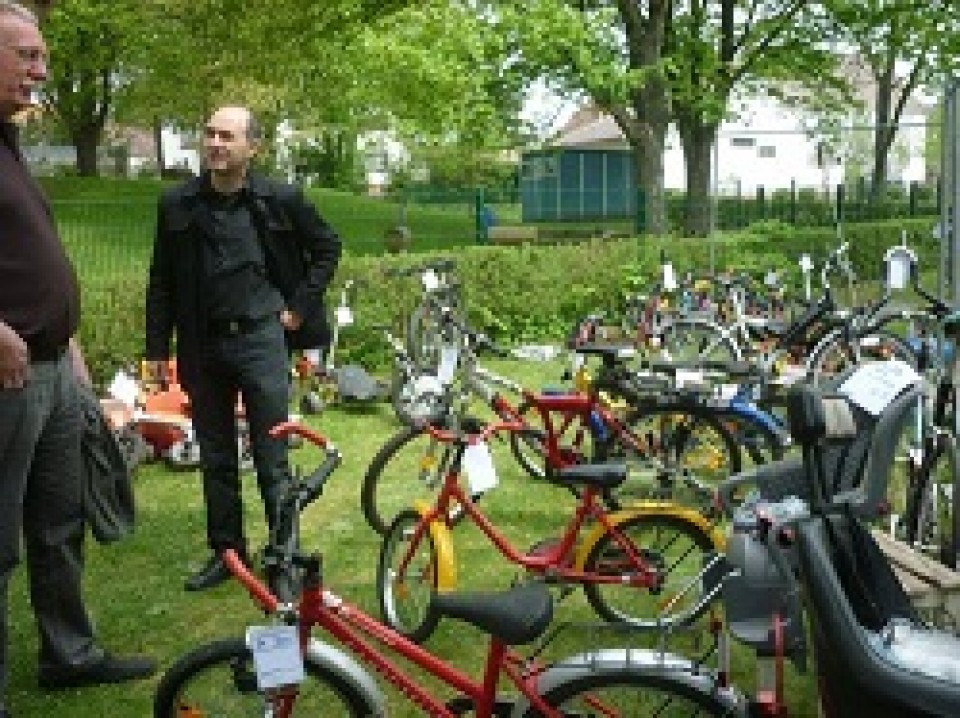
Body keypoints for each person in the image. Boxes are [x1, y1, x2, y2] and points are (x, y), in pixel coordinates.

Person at [0, 2, 155, 714]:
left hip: (55, 371)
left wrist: (75, 356)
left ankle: (70, 654)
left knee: (61, 522)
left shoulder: (9, 145)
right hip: (6, 377)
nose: (41, 71)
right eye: (27, 55)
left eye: (42, 57)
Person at [145, 105, 342, 592]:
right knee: (215, 456)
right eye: (209, 133)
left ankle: (284, 559)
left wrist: (297, 308)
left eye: (226, 136)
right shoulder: (178, 205)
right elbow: (161, 282)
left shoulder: (280, 199)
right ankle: (227, 554)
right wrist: (155, 351)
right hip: (202, 345)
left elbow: (327, 247)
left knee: (272, 455)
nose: (215, 143)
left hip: (259, 339)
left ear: (252, 147)